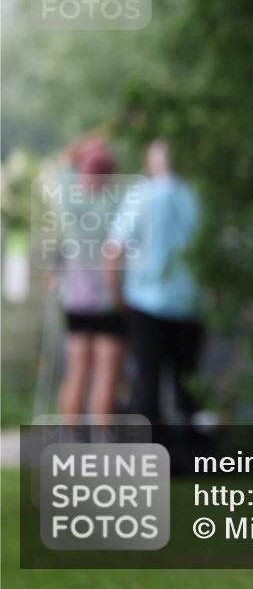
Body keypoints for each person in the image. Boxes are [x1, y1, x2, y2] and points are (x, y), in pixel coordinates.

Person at [105, 138, 203, 426]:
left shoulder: (140, 195)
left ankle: (150, 449)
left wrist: (116, 295)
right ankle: (192, 451)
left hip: (145, 302)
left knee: (147, 379)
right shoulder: (196, 196)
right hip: (188, 303)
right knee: (187, 382)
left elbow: (113, 249)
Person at [54, 136, 127, 417]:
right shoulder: (117, 203)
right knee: (107, 376)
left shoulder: (71, 199)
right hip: (110, 300)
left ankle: (70, 443)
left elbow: (64, 157)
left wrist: (92, 139)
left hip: (76, 300)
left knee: (76, 373)